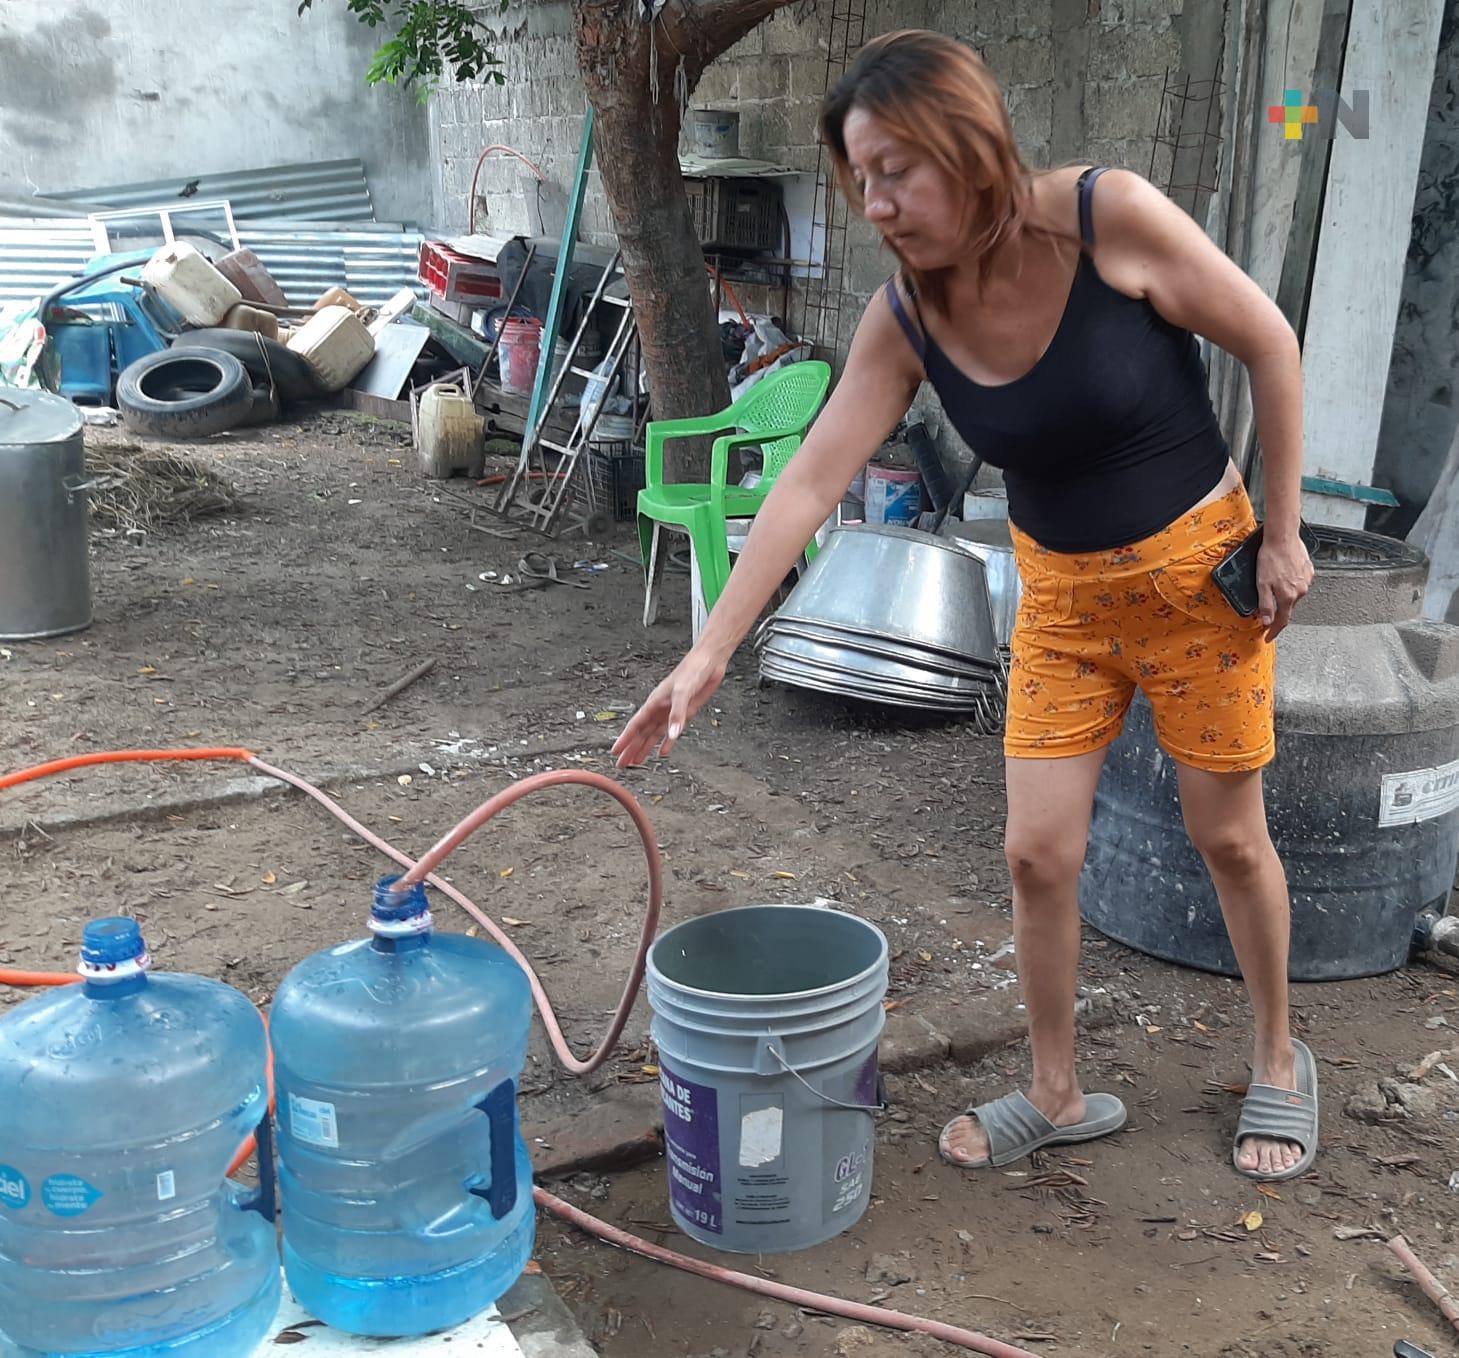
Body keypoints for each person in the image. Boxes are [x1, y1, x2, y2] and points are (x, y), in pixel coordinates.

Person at [614, 30, 1317, 1183]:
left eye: (897, 169)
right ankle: (1055, 1086)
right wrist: (708, 654)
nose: (878, 203)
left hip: (1198, 580)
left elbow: (1268, 344)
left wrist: (1282, 533)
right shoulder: (905, 318)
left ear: (969, 144)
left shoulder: (1103, 218)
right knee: (1036, 852)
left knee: (1228, 837)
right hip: (1063, 601)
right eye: (862, 179)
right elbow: (809, 480)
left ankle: (1279, 1053)